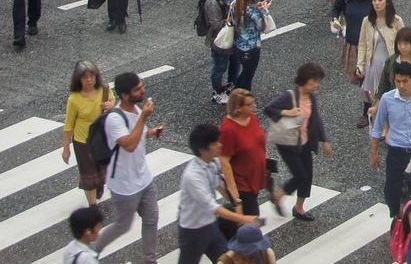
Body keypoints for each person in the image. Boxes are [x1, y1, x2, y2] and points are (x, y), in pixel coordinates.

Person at [94, 72, 164, 263]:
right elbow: (129, 144)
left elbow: (138, 135)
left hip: (144, 178)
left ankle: (150, 260)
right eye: (137, 89)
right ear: (124, 95)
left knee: (151, 219)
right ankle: (93, 249)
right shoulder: (114, 119)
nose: (143, 90)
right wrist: (144, 119)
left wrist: (151, 132)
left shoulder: (136, 110)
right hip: (124, 184)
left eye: (142, 85)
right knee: (123, 225)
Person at [177, 122, 259, 264]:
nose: (220, 144)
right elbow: (212, 206)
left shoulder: (212, 162)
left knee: (228, 261)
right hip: (193, 231)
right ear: (203, 149)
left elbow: (220, 185)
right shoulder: (192, 177)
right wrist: (243, 219)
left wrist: (236, 202)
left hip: (211, 226)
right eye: (215, 142)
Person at [263, 62, 332, 221]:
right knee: (300, 175)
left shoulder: (312, 97)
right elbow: (269, 109)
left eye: (318, 81)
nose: (316, 85)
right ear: (304, 79)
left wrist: (325, 140)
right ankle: (278, 196)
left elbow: (316, 119)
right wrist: (287, 112)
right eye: (313, 81)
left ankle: (299, 208)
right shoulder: (289, 96)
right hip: (288, 143)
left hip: (305, 141)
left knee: (308, 176)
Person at [369, 59, 411, 220]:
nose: (401, 85)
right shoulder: (387, 99)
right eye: (397, 81)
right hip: (396, 152)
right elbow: (377, 128)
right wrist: (374, 153)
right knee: (391, 190)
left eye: (404, 81)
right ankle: (397, 217)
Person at [218, 87, 285, 217]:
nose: (254, 106)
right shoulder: (228, 130)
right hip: (242, 183)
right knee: (252, 217)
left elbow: (258, 141)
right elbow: (224, 160)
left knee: (247, 218)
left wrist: (265, 162)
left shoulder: (252, 118)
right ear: (238, 107)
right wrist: (233, 190)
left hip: (256, 176)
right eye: (250, 104)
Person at [62, 60, 114, 205]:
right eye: (85, 77)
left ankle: (99, 185)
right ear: (78, 79)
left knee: (102, 170)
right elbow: (68, 126)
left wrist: (111, 105)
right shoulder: (74, 99)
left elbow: (112, 100)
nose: (89, 80)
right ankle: (92, 205)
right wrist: (66, 148)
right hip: (83, 141)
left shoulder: (104, 89)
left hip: (102, 139)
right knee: (88, 174)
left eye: (92, 76)